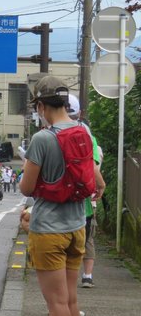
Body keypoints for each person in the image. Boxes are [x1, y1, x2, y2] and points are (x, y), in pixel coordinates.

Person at [19, 76, 105, 316]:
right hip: (76, 228)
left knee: (55, 304)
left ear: (41, 106)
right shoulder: (83, 131)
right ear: (66, 103)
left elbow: (26, 187)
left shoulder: (43, 139)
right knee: (69, 301)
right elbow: (96, 179)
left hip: (49, 232)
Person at [67, 93, 103, 288]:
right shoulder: (88, 137)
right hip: (83, 206)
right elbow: (93, 166)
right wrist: (101, 184)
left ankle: (58, 306)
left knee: (59, 258)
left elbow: (28, 186)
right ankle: (70, 305)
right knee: (80, 247)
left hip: (53, 207)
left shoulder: (46, 136)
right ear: (79, 113)